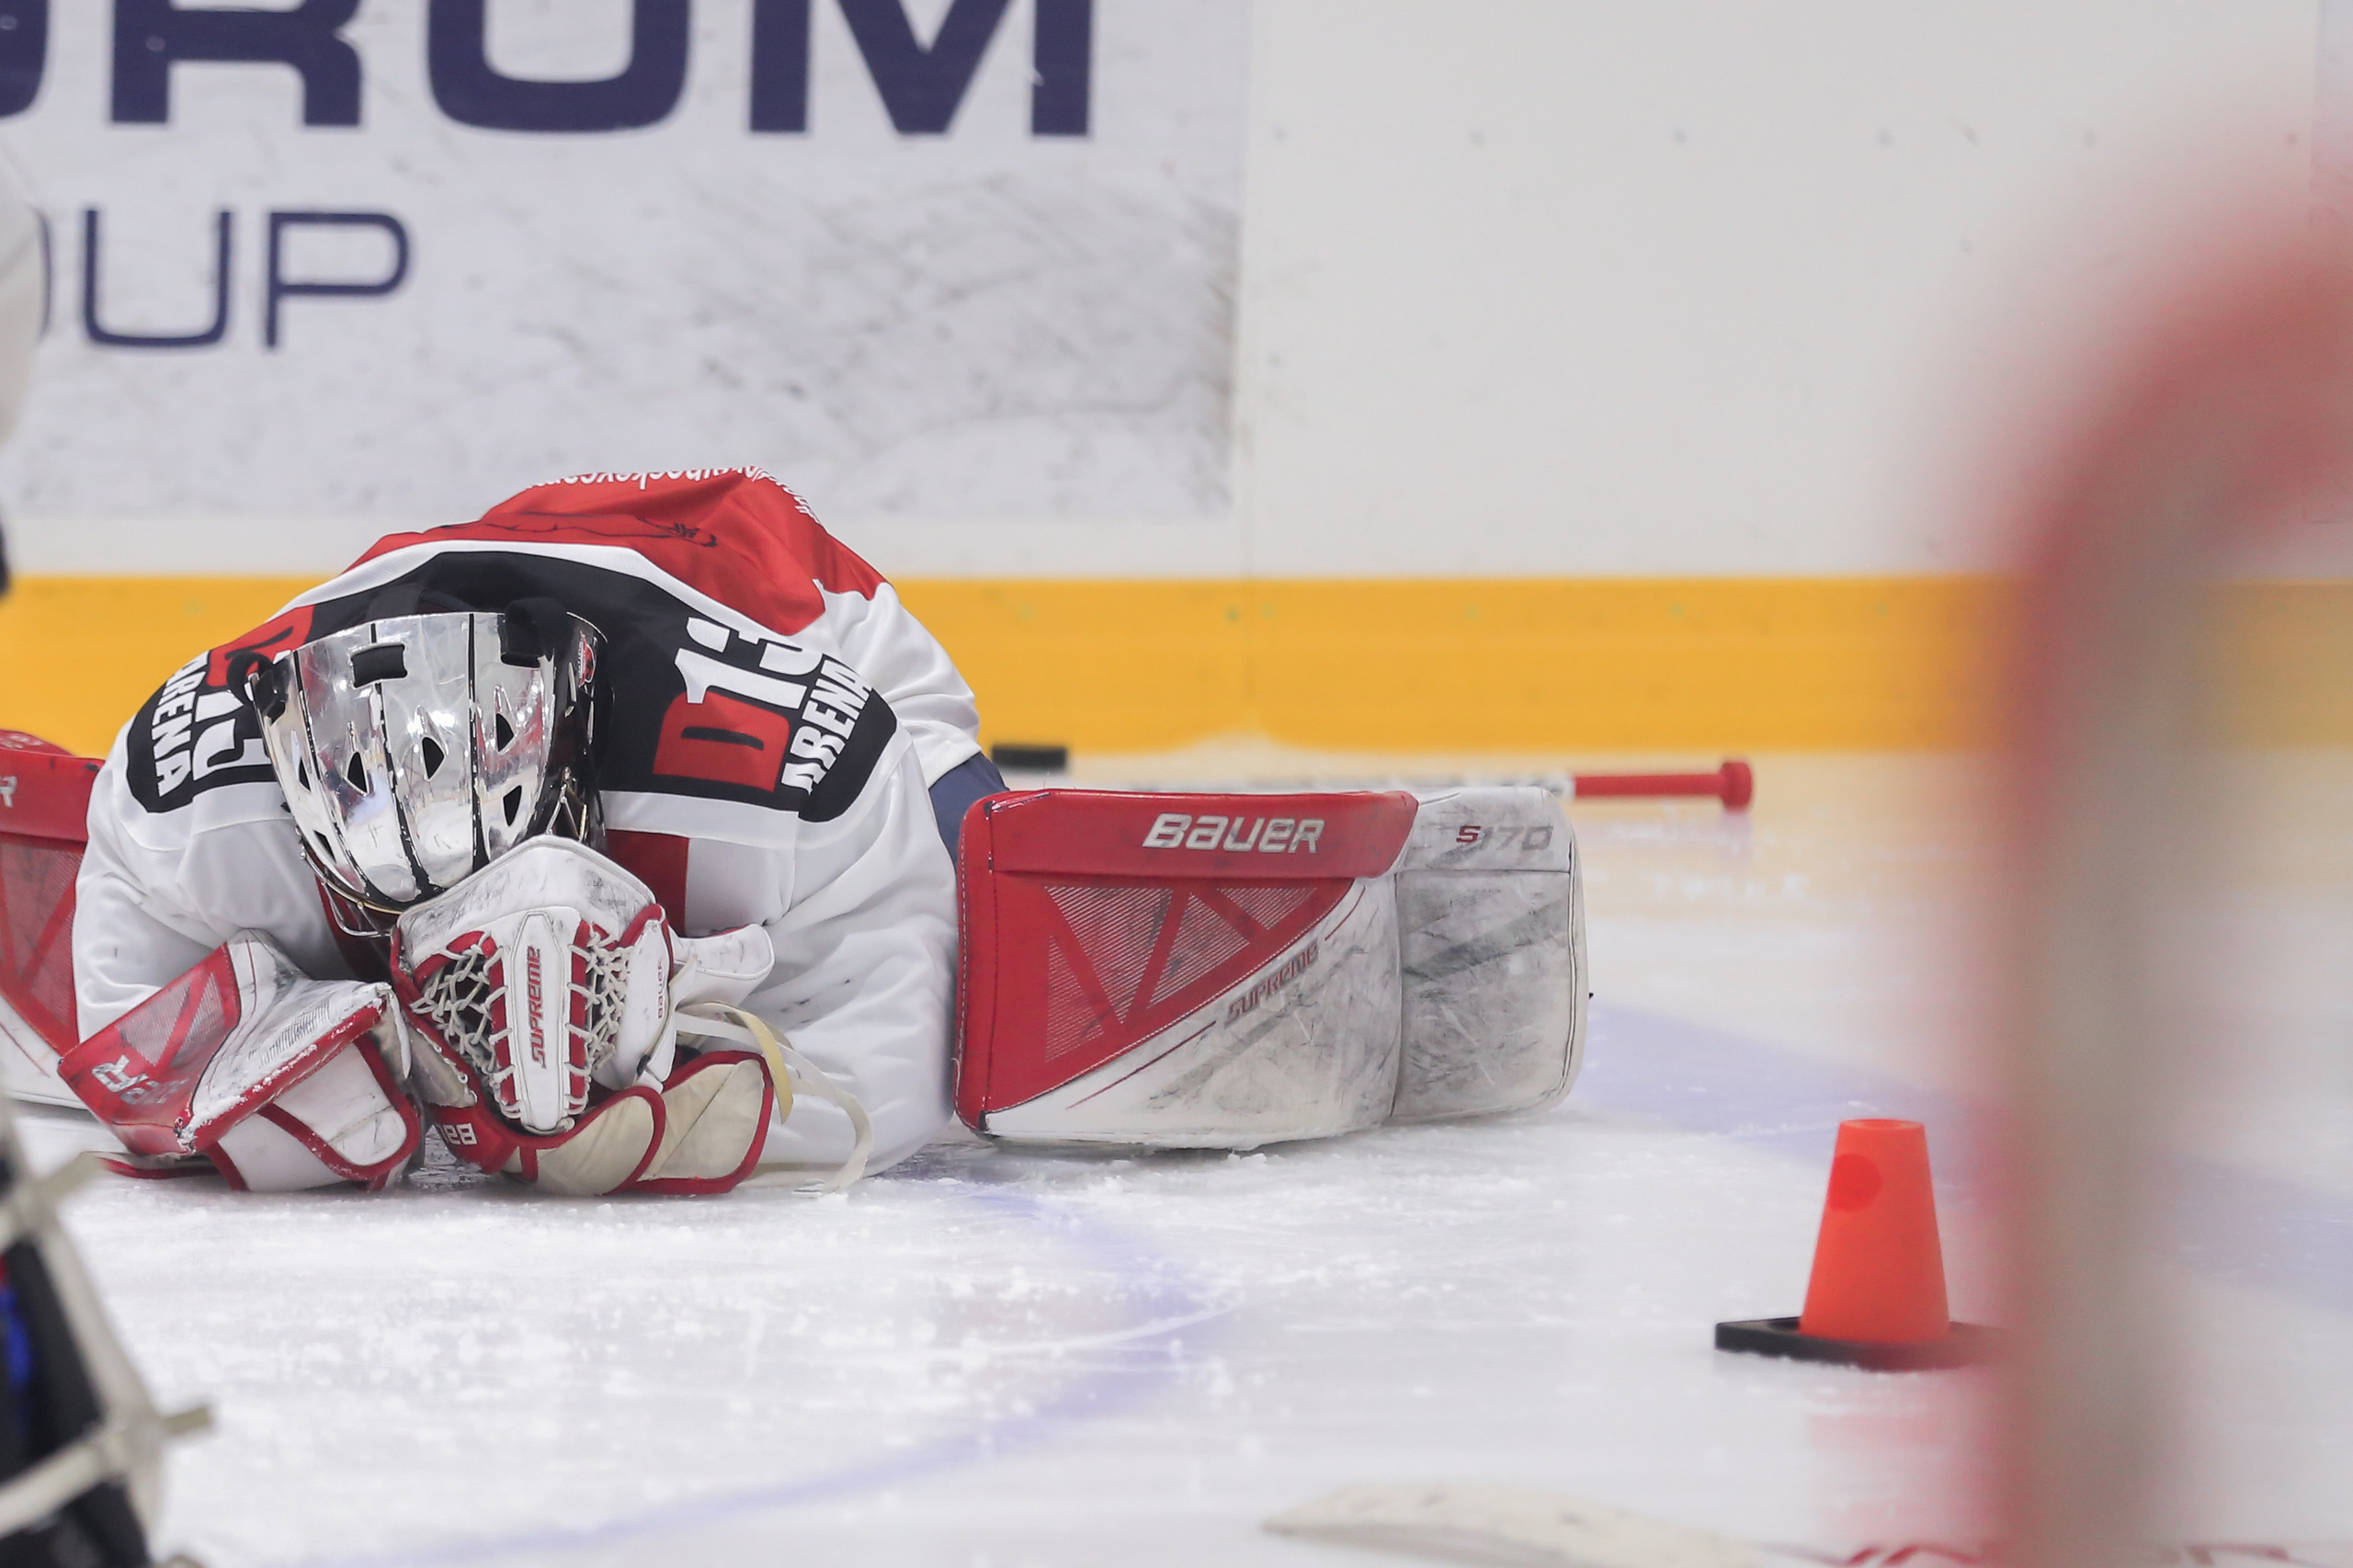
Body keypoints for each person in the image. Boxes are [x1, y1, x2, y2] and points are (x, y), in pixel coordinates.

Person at [63, 468, 1003, 1195]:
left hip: (770, 574)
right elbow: (126, 1050)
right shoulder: (190, 799)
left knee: (989, 906)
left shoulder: (777, 773)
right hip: (436, 576)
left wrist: (691, 1117)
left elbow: (908, 1054)